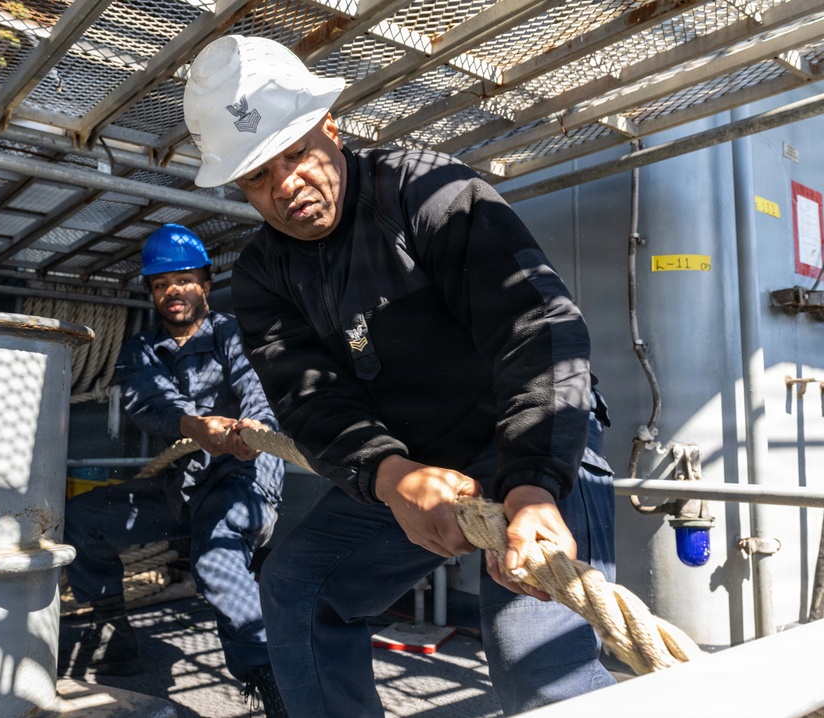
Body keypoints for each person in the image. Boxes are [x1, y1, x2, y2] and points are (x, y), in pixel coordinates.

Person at [183, 35, 617, 717]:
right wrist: (391, 476)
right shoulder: (263, 274)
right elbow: (309, 400)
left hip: (530, 441)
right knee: (300, 585)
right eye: (257, 176)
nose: (285, 185)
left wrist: (534, 485)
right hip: (413, 465)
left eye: (295, 153)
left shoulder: (429, 192)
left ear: (331, 127)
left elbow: (538, 329)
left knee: (534, 660)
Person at [61, 223, 289, 718]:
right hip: (179, 489)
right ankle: (112, 640)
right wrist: (196, 426)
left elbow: (258, 390)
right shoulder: (139, 351)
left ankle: (277, 686)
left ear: (205, 284)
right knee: (78, 520)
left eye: (183, 280)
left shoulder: (234, 334)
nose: (172, 292)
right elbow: (149, 400)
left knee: (217, 562)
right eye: (161, 285)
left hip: (241, 483)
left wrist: (249, 430)